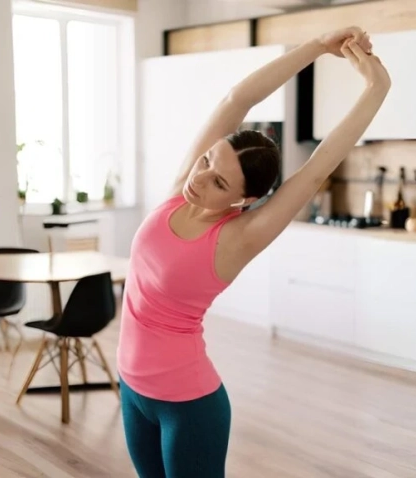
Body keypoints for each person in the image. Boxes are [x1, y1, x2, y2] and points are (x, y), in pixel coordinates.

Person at [116, 26, 391, 478]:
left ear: (243, 200)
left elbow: (319, 165)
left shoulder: (240, 236)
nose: (200, 178)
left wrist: (376, 88)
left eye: (219, 182)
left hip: (188, 407)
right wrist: (316, 46)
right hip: (131, 389)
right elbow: (236, 100)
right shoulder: (182, 189)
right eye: (208, 160)